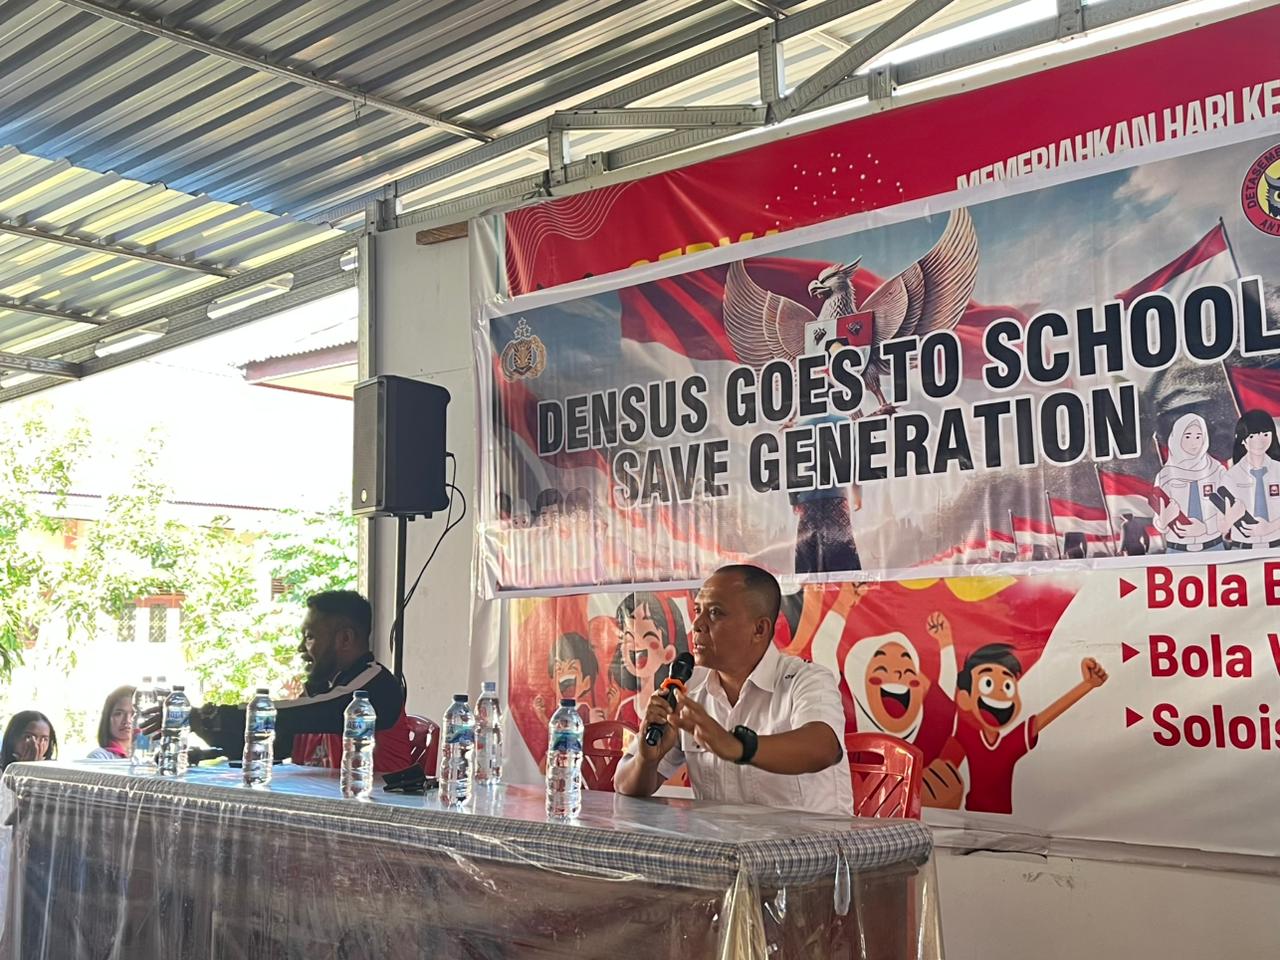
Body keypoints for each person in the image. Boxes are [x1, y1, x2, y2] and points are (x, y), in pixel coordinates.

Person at [615, 564, 852, 816]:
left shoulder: (807, 679)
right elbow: (624, 785)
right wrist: (647, 760)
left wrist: (739, 746)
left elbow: (823, 747)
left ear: (759, 629)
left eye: (715, 613)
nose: (697, 625)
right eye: (697, 611)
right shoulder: (689, 690)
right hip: (722, 840)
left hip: (809, 841)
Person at [147, 591, 414, 775]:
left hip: (380, 819)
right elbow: (274, 747)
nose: (300, 648)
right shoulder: (322, 689)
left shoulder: (375, 688)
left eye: (309, 637)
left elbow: (304, 715)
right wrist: (203, 735)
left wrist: (211, 717)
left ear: (345, 639)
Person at [1152, 413, 1228, 552]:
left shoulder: (1217, 471)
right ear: (1177, 438)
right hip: (1177, 550)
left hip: (1213, 547)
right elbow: (1158, 522)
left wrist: (1206, 528)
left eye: (1198, 436)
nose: (1194, 442)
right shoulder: (1165, 476)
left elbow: (1229, 513)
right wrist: (1164, 520)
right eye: (1187, 437)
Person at [1221, 409, 1280, 548]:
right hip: (1242, 548)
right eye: (1252, 436)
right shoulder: (1231, 476)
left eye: (1265, 434)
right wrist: (1230, 518)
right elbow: (1219, 527)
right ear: (1242, 439)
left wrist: (1270, 527)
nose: (1260, 441)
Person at [87, 686, 135, 760]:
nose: (127, 720)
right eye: (119, 714)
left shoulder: (148, 755)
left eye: (133, 714)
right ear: (107, 718)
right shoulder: (99, 757)